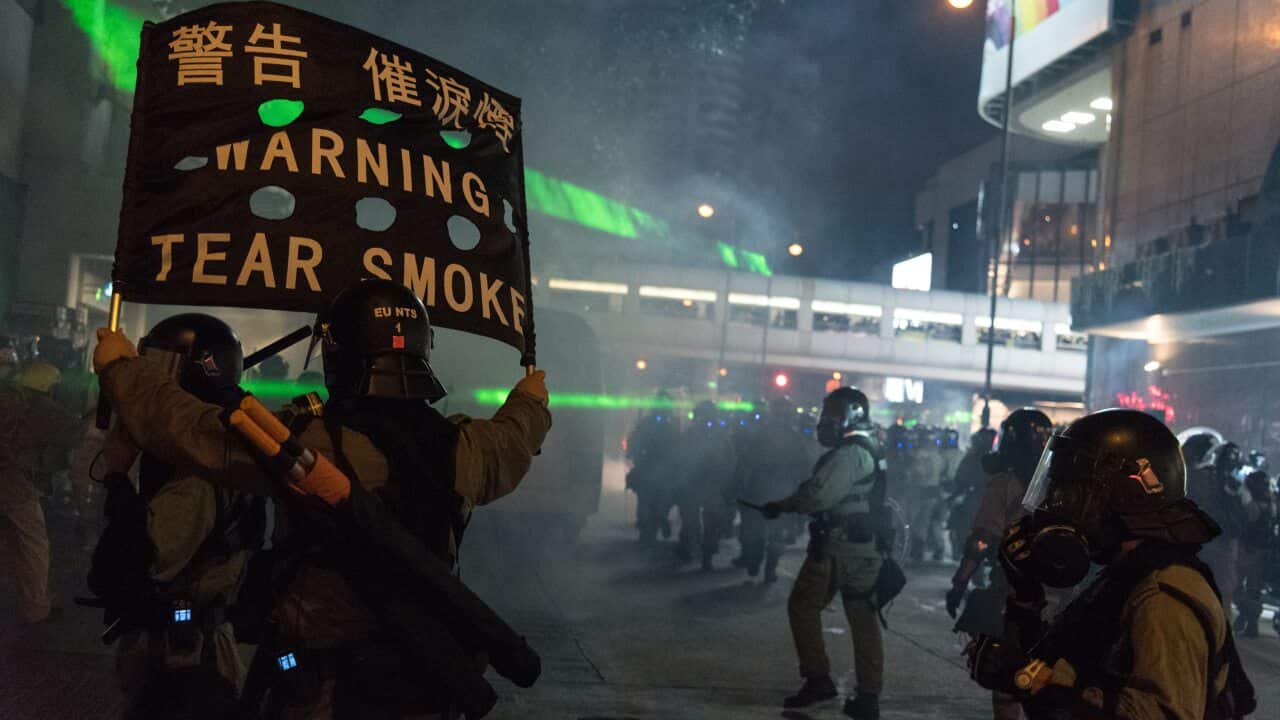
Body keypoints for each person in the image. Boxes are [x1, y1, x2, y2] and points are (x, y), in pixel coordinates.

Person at [93, 278, 551, 718]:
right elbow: (513, 438)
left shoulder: (305, 445)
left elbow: (190, 431)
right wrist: (530, 400)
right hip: (425, 684)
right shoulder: (465, 448)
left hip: (328, 694)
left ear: (339, 354)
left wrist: (121, 369)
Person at [970, 409, 1256, 719]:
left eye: (1073, 491)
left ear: (1128, 492)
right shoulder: (1127, 572)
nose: (1057, 504)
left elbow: (1160, 713)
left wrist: (1032, 682)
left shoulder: (1163, 594)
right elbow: (1070, 666)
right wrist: (1025, 600)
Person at [86, 314, 261, 719]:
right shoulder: (205, 453)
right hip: (178, 651)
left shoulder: (197, 474)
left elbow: (125, 568)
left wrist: (116, 476)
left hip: (187, 661)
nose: (152, 378)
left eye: (164, 366)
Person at [761, 386, 888, 720]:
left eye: (830, 415)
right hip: (863, 550)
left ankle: (818, 679)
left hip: (839, 548)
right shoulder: (870, 447)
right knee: (863, 620)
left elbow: (818, 496)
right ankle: (869, 697)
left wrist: (783, 506)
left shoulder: (848, 454)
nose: (824, 422)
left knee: (802, 605)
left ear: (849, 415)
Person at [946, 408, 1052, 720]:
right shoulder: (1063, 481)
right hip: (1061, 590)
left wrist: (960, 580)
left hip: (1014, 586)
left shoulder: (1003, 482)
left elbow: (983, 538)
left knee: (1008, 672)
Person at [0, 360, 79, 624]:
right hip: (12, 482)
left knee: (14, 541)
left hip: (7, 477)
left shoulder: (8, 398)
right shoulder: (44, 408)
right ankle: (35, 608)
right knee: (34, 543)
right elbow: (76, 434)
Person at [734, 396, 810, 582]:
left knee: (767, 533)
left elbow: (746, 461)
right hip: (769, 490)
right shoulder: (786, 437)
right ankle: (764, 565)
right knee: (768, 533)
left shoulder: (767, 435)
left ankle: (764, 565)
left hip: (773, 491)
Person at [674, 400, 735, 570]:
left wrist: (725, 482)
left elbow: (729, 461)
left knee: (711, 523)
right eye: (702, 416)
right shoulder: (690, 435)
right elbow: (679, 458)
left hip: (711, 485)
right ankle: (688, 548)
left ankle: (706, 555)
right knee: (690, 522)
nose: (705, 421)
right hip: (692, 484)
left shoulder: (721, 437)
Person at [1197, 442, 1249, 619]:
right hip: (1222, 541)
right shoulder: (1234, 483)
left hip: (1210, 540)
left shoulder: (1205, 479)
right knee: (1222, 588)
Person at [626, 393, 680, 545]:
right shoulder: (660, 424)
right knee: (649, 503)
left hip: (659, 471)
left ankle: (653, 527)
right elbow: (634, 443)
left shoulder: (665, 425)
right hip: (650, 470)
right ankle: (649, 530)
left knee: (653, 503)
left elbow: (678, 448)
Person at [946, 428, 998, 561]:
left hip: (976, 500)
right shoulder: (995, 459)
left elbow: (961, 479)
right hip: (985, 502)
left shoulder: (973, 458)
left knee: (968, 531)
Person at [1236, 470, 1277, 638]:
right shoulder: (1271, 503)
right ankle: (1248, 619)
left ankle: (1247, 617)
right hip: (1261, 552)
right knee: (1253, 590)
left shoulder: (1254, 505)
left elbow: (1246, 522)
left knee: (1236, 587)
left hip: (1248, 550)